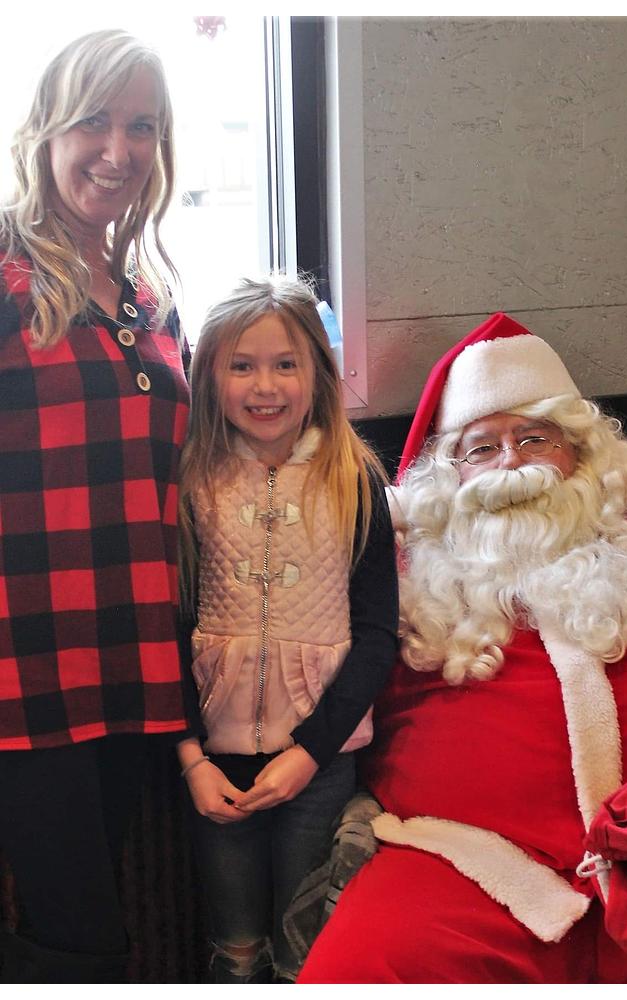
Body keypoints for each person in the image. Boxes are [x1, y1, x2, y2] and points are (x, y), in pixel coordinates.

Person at [298, 312, 627, 984]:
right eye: (481, 448)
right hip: (461, 868)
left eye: (535, 438)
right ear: (448, 479)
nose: (511, 461)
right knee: (358, 973)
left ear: (582, 453)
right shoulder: (402, 574)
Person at [0, 30, 190, 983]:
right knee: (80, 937)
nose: (118, 151)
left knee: (88, 908)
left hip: (133, 657)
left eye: (141, 128)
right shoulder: (6, 272)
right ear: (45, 130)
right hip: (23, 669)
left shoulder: (150, 296)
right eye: (93, 122)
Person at [175, 275, 399, 983]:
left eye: (285, 364)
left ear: (318, 374)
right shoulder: (190, 481)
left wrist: (309, 752)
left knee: (306, 947)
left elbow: (377, 635)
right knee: (235, 943)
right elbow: (166, 625)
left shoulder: (354, 479)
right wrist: (191, 758)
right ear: (209, 377)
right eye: (242, 366)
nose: (265, 386)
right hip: (213, 766)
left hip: (320, 762)